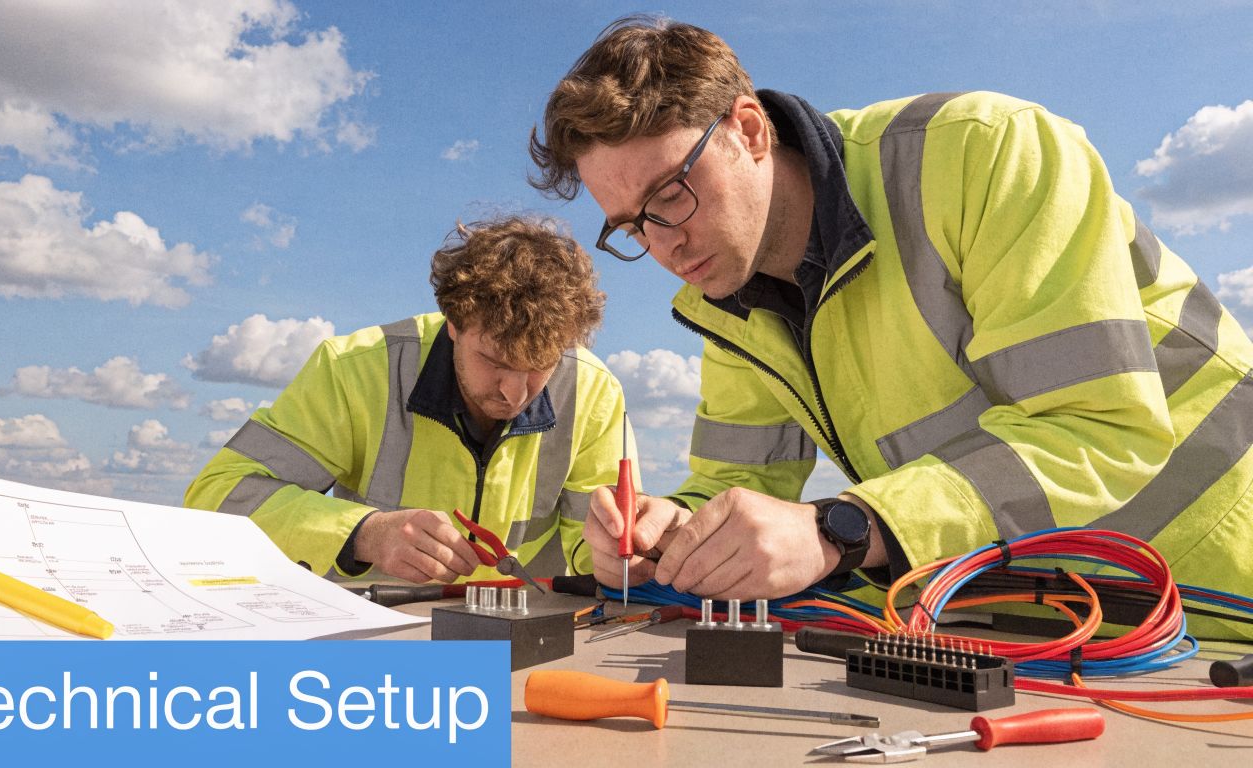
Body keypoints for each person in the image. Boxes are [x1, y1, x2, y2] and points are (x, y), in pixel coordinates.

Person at [530, 16, 1253, 638]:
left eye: (671, 195)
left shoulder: (984, 151)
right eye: (632, 227)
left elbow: (1097, 426)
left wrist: (839, 529)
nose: (665, 246)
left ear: (747, 129)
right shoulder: (730, 296)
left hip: (1219, 590)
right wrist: (671, 528)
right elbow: (738, 481)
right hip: (1042, 622)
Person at [185, 215, 635, 584]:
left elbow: (592, 549)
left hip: (525, 640)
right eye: (495, 360)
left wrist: (622, 558)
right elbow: (217, 498)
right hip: (375, 639)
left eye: (540, 364)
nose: (514, 393)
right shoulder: (353, 370)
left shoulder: (593, 391)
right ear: (453, 323)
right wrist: (363, 533)